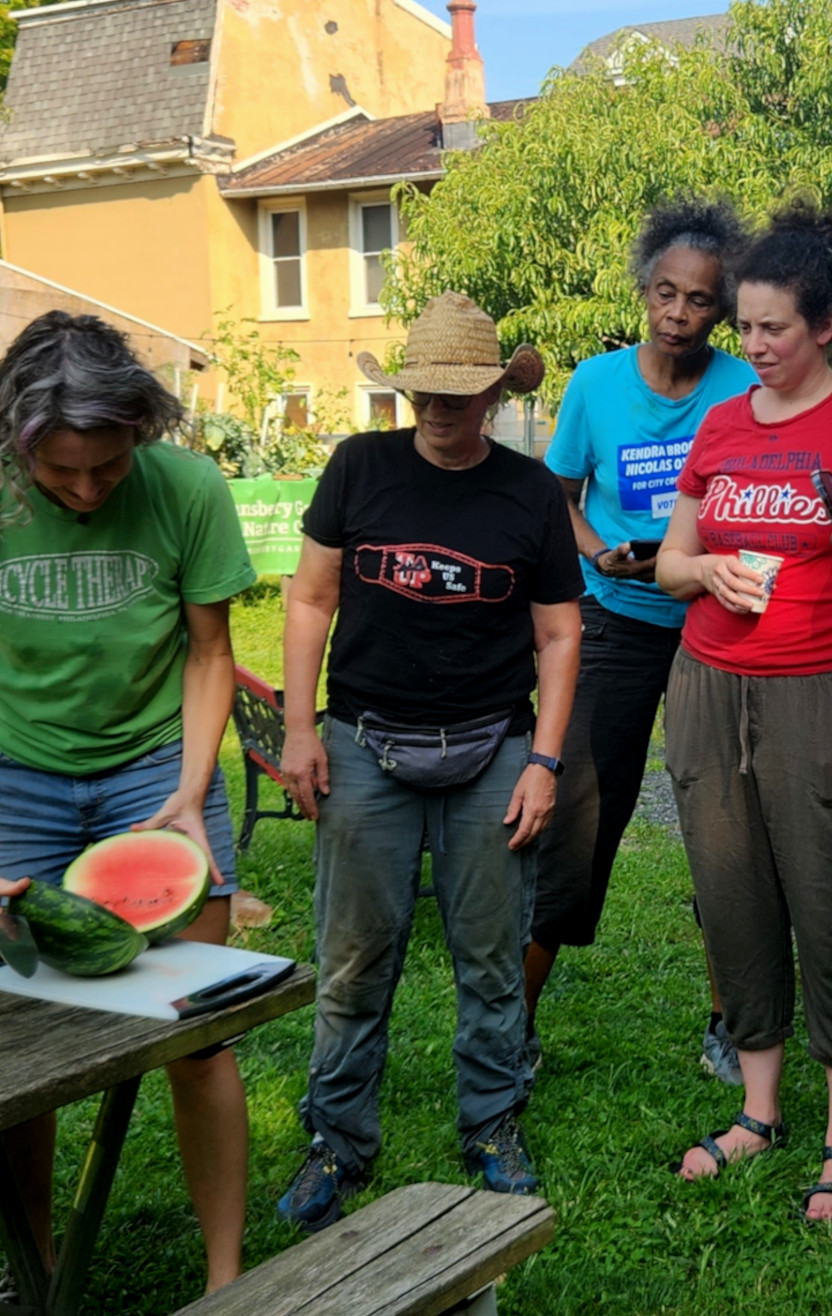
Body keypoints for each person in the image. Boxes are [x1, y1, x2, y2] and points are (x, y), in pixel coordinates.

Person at [0, 311, 259, 1316]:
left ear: (142, 429)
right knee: (13, 1046)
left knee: (200, 1027)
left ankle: (227, 1278)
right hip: (11, 774)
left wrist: (190, 782)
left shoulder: (187, 488)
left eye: (108, 465)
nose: (87, 489)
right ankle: (32, 1272)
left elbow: (209, 654)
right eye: (60, 471)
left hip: (154, 768)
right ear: (12, 441)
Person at [275, 292, 584, 1232]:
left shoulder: (530, 491)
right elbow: (310, 601)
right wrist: (299, 727)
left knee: (489, 957)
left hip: (492, 746)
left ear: (493, 391)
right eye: (424, 393)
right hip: (365, 743)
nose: (439, 410)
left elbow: (560, 635)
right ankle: (336, 1138)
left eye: (458, 394)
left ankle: (493, 1124)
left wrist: (545, 762)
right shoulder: (358, 467)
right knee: (352, 959)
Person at [654, 200, 832, 1221]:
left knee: (831, 899)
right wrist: (706, 566)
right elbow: (669, 562)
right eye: (743, 326)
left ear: (828, 323)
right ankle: (759, 1111)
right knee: (731, 894)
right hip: (709, 685)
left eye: (772, 329)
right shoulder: (718, 424)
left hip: (826, 688)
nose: (750, 346)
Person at [526, 198, 756, 1084]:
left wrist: (691, 557)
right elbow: (561, 491)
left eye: (699, 301)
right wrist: (600, 557)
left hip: (712, 617)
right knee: (579, 816)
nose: (678, 313)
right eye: (665, 292)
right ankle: (518, 1020)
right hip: (614, 619)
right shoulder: (594, 383)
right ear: (645, 291)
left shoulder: (742, 387)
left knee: (723, 820)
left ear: (721, 309)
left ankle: (729, 1022)